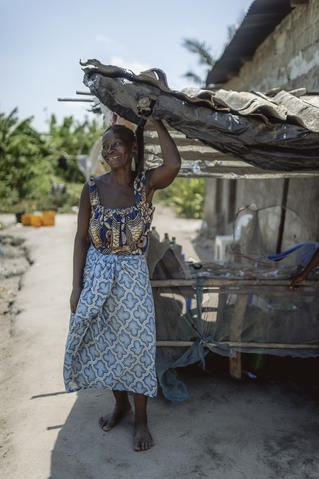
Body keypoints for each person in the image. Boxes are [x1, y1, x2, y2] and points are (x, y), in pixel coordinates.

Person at [63, 119, 181, 451]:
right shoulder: (92, 188)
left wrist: (156, 120)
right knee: (104, 343)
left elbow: (173, 164)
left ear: (131, 150)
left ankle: (141, 420)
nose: (109, 150)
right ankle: (121, 405)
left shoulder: (145, 185)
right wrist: (76, 287)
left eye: (116, 144)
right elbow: (81, 239)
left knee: (137, 345)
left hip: (132, 277)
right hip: (98, 275)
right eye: (106, 146)